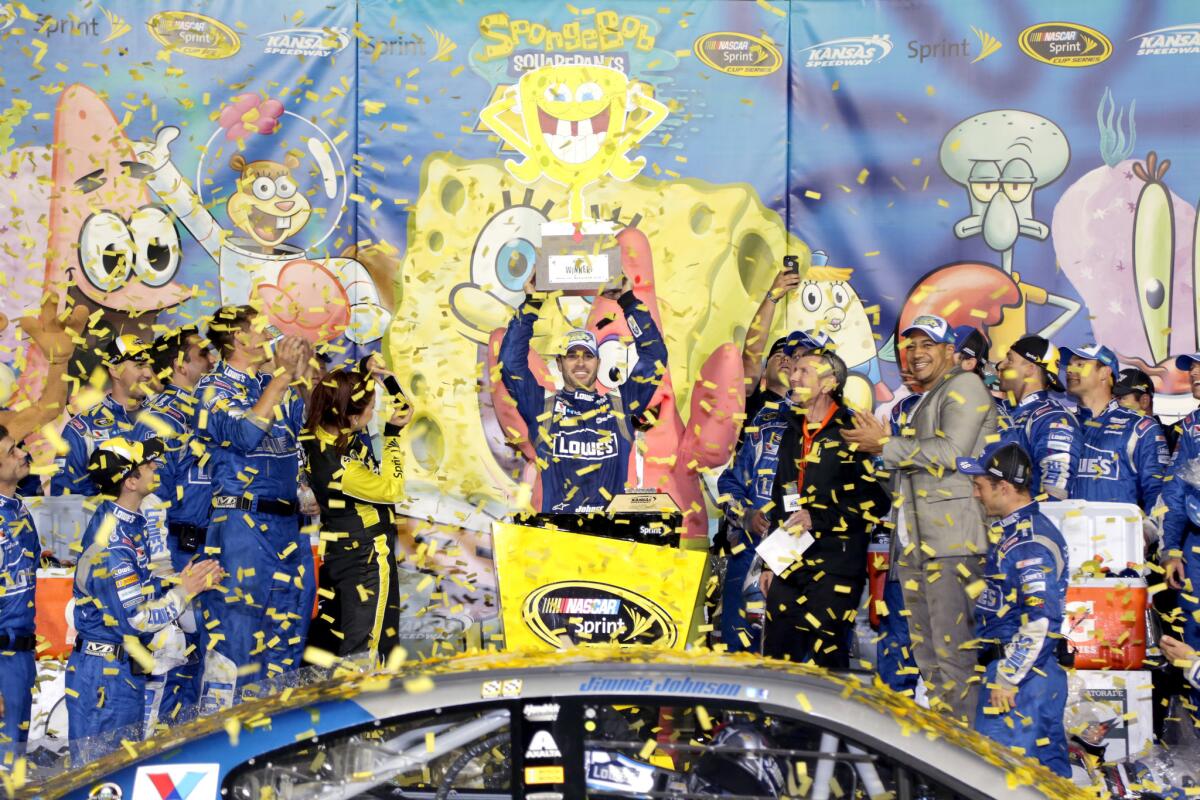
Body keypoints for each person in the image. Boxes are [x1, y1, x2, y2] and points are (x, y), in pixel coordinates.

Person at [842, 314, 997, 723]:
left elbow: (952, 454)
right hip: (914, 546)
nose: (917, 352)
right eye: (911, 345)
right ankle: (946, 751)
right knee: (929, 660)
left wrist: (886, 444)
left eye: (928, 344)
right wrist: (877, 457)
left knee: (953, 659)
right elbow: (903, 486)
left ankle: (968, 757)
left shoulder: (966, 385)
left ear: (951, 351)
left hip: (951, 544)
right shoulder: (920, 404)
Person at [66, 437, 223, 761]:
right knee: (101, 781)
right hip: (105, 677)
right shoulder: (114, 542)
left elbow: (137, 588)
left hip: (119, 670)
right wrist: (185, 591)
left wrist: (177, 581)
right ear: (130, 481)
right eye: (147, 465)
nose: (156, 467)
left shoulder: (125, 523)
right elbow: (136, 618)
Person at [195, 305, 314, 707]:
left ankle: (274, 736)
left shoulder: (273, 382)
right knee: (239, 638)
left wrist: (302, 374)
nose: (269, 333)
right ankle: (225, 737)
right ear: (236, 338)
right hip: (242, 525)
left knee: (287, 634)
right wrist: (281, 378)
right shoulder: (212, 389)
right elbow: (244, 435)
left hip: (288, 526)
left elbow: (310, 427)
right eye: (259, 328)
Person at [760, 349, 890, 667]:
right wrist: (770, 564)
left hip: (836, 563)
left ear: (828, 383)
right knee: (777, 656)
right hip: (790, 558)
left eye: (804, 371)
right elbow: (783, 494)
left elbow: (878, 499)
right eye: (793, 371)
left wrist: (819, 518)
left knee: (827, 657)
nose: (793, 376)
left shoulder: (853, 428)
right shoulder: (792, 427)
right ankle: (777, 718)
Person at [498, 276, 667, 515]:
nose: (580, 362)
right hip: (557, 539)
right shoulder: (542, 405)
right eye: (572, 355)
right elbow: (510, 364)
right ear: (559, 362)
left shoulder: (621, 404)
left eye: (588, 356)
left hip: (610, 540)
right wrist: (531, 304)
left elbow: (655, 357)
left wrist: (628, 302)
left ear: (598, 363)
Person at [958, 441, 1071, 777]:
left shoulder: (1029, 541)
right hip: (1027, 676)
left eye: (979, 486)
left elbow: (1041, 619)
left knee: (998, 780)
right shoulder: (1013, 532)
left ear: (1003, 487)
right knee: (1047, 783)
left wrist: (1008, 678)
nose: (976, 495)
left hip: (1020, 681)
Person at [717, 330, 826, 652]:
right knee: (739, 648)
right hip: (750, 550)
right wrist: (745, 515)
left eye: (808, 361)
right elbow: (729, 483)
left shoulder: (837, 423)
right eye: (793, 360)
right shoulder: (763, 419)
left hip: (804, 555)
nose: (797, 368)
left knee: (795, 652)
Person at [131, 326, 216, 720]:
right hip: (175, 548)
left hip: (208, 547)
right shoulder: (159, 418)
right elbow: (148, 496)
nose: (211, 359)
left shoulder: (210, 412)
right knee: (172, 655)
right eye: (201, 353)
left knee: (203, 654)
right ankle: (162, 745)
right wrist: (162, 565)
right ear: (180, 364)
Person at [303, 359, 411, 663]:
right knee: (367, 645)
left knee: (370, 639)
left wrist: (375, 373)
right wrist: (391, 435)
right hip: (366, 556)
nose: (373, 413)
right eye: (370, 409)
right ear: (350, 416)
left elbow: (338, 389)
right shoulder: (339, 466)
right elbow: (392, 490)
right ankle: (356, 706)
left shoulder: (320, 430)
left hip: (346, 552)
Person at [1064, 344, 1169, 514]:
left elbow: (1158, 491)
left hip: (1115, 536)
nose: (1069, 370)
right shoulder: (1061, 423)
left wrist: (1148, 532)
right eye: (1069, 364)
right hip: (1065, 536)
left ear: (1104, 373)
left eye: (1080, 364)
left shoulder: (1139, 426)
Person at [50, 335, 155, 497]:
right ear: (115, 370)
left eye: (149, 365)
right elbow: (64, 499)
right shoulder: (82, 428)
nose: (148, 373)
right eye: (140, 365)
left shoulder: (166, 418)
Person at [995, 336, 1080, 501]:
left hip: (1028, 523)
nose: (1001, 365)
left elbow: (1056, 488)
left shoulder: (1052, 417)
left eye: (1010, 360)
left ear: (1030, 369)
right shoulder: (1004, 410)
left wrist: (1035, 523)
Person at [0, 427, 38, 767]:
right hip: (2, 658)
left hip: (21, 655)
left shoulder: (19, 509)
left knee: (16, 770)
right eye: (11, 451)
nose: (21, 454)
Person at [739, 269, 803, 434]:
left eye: (792, 357)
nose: (785, 359)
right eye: (778, 355)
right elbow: (752, 351)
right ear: (764, 371)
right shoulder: (750, 398)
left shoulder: (809, 412)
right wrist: (772, 298)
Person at [1114, 367, 1178, 452]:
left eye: (1120, 398)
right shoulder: (1105, 435)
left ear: (1144, 401)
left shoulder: (1177, 436)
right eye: (1112, 398)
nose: (1113, 404)